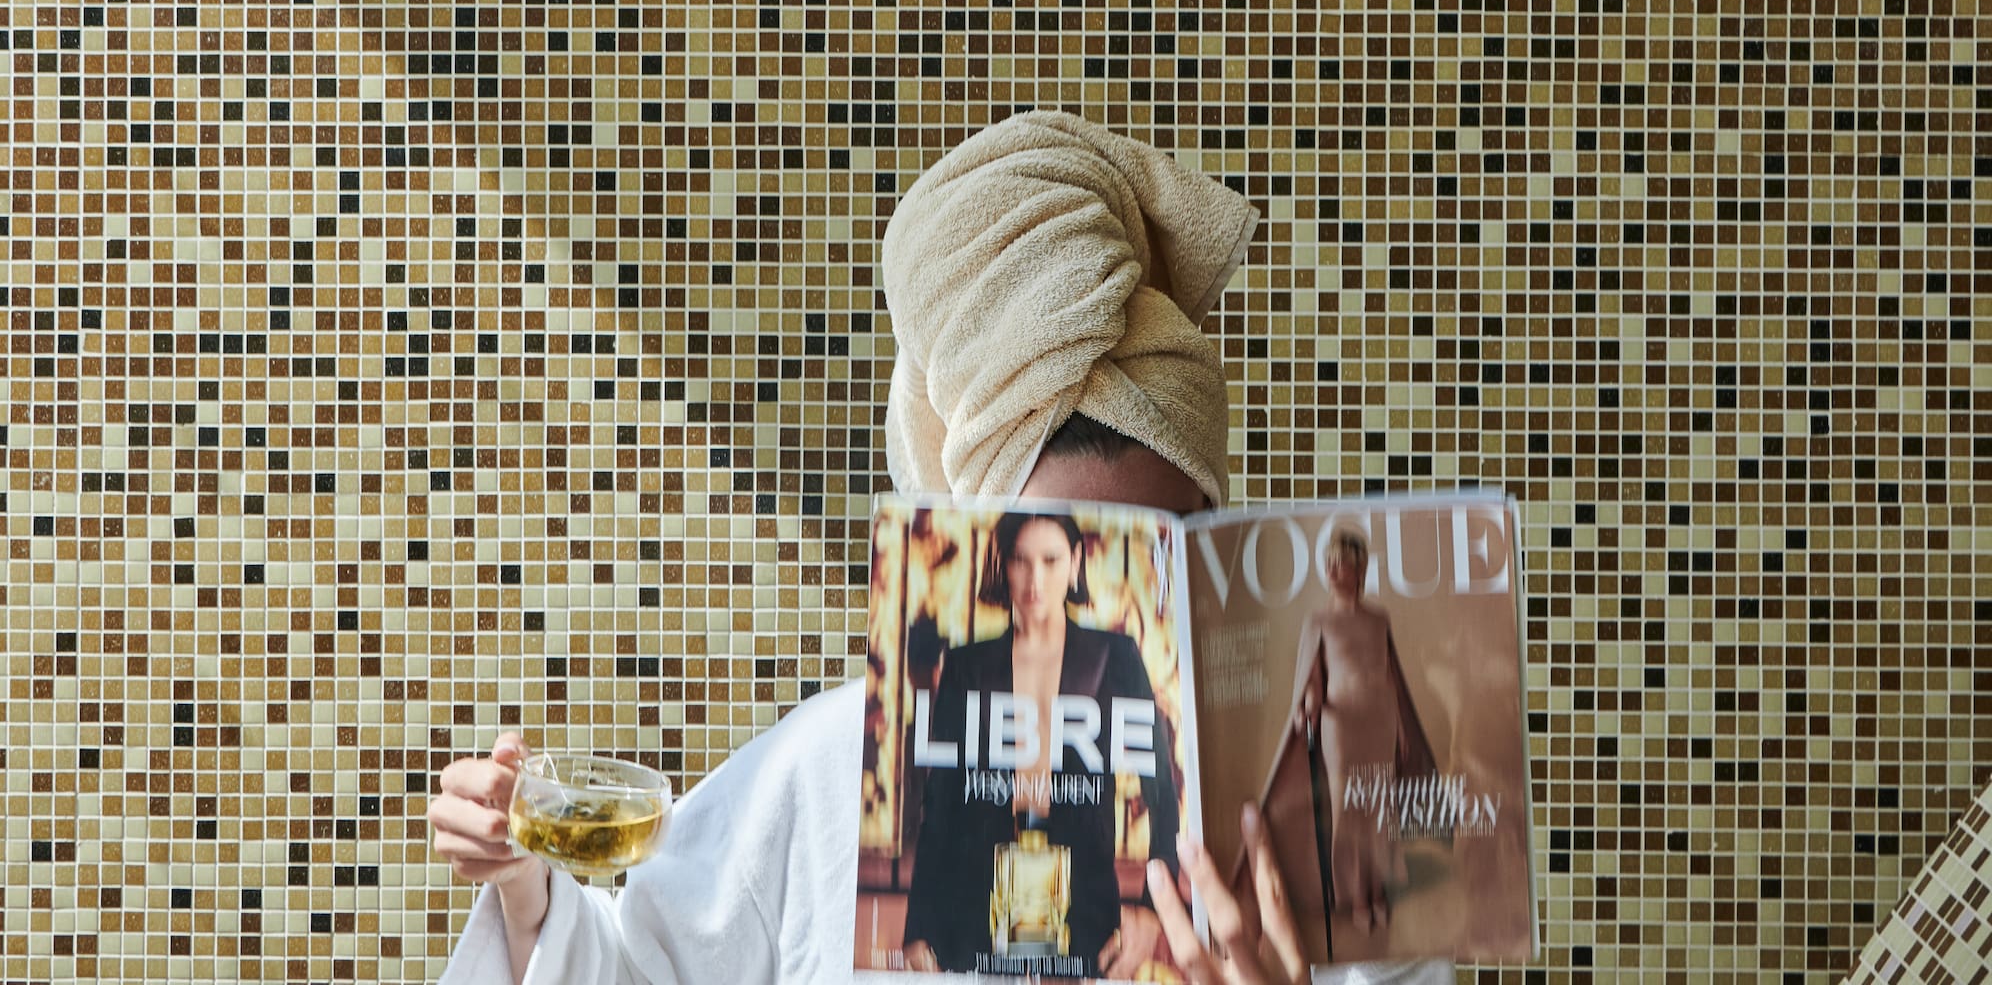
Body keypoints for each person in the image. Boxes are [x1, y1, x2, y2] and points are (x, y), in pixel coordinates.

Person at [427, 110, 1457, 985]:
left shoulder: (1326, 858)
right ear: (973, 547)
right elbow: (626, 965)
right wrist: (522, 889)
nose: (1089, 592)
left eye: (1160, 547)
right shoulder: (836, 769)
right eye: (1052, 546)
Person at [900, 511, 1181, 976]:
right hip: (975, 896)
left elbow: (1163, 796)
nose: (1035, 579)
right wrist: (918, 929)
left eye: (1051, 560)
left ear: (1074, 564)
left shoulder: (1116, 656)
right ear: (1003, 566)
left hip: (1087, 896)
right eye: (1020, 560)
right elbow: (940, 809)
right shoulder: (967, 665)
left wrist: (1153, 908)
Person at [1285, 529, 1436, 936]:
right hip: (1340, 727)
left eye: (1342, 561)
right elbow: (1313, 676)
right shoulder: (1318, 619)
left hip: (1380, 722)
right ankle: (1354, 895)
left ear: (1360, 567)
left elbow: (1392, 676)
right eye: (1329, 562)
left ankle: (1377, 890)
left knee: (1378, 810)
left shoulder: (1378, 617)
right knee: (1348, 810)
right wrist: (1310, 705)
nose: (1333, 569)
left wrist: (1404, 728)